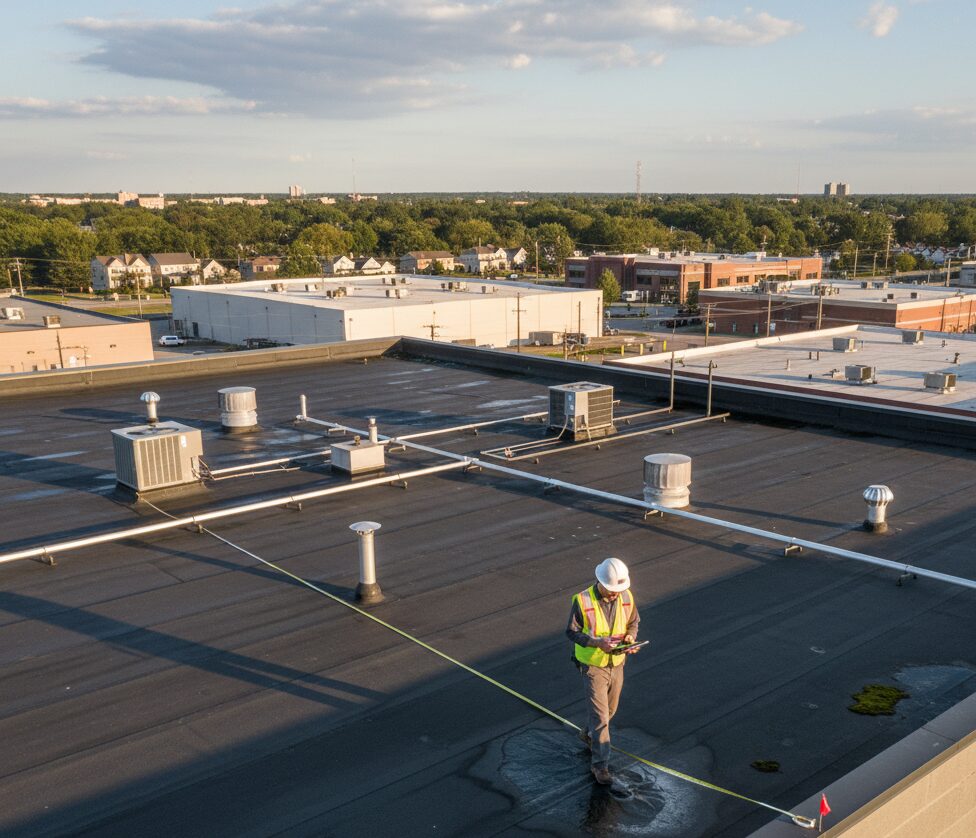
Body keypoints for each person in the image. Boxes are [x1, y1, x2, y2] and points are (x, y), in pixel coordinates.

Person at [566, 557, 641, 785]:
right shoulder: (583, 600)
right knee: (601, 718)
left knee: (610, 710)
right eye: (612, 590)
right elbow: (572, 632)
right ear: (602, 583)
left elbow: (633, 621)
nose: (615, 594)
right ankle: (600, 766)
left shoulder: (626, 596)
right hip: (593, 666)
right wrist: (597, 643)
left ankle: (587, 733)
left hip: (617, 662)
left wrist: (631, 638)